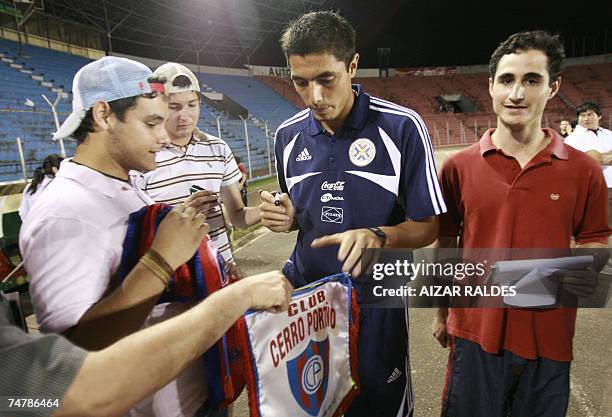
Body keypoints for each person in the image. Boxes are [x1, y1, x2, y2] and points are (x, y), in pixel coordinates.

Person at [18, 56, 291, 417]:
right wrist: (162, 260)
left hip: (188, 392)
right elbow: (71, 365)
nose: (165, 137)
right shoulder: (65, 213)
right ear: (103, 115)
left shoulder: (121, 185)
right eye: (152, 123)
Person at [259, 11, 445, 417]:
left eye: (327, 79)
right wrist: (284, 218)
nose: (315, 97)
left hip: (378, 296)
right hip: (310, 297)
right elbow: (295, 211)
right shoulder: (287, 136)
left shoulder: (402, 127)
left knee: (379, 403)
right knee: (313, 401)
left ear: (353, 65)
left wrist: (378, 236)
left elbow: (428, 227)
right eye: (301, 83)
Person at [434, 31, 610, 417]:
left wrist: (564, 274)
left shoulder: (583, 171)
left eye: (532, 80)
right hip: (474, 333)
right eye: (507, 80)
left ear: (553, 88)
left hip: (549, 338)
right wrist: (441, 310)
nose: (517, 93)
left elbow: (596, 238)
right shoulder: (458, 168)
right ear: (491, 86)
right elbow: (447, 241)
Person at [0, 273, 292, 417]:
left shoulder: (133, 185)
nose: (163, 149)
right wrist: (238, 297)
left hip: (193, 398)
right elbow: (72, 394)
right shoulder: (63, 214)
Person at [134, 63, 260, 271]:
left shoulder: (217, 148)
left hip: (224, 273)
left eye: (191, 105)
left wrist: (265, 211)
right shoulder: (143, 158)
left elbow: (237, 216)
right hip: (176, 281)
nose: (185, 116)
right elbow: (138, 239)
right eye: (174, 107)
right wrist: (179, 217)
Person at [564, 101, 612, 224]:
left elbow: (603, 158)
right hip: (594, 189)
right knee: (602, 229)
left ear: (599, 116)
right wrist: (604, 156)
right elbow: (598, 160)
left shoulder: (608, 134)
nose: (586, 118)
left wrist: (604, 157)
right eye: (582, 115)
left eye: (590, 114)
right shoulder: (573, 138)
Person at [18, 153, 64, 220]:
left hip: (32, 227)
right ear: (55, 169)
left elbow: (23, 212)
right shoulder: (57, 186)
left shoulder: (30, 186)